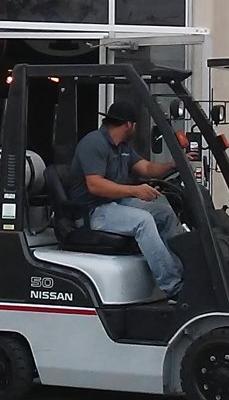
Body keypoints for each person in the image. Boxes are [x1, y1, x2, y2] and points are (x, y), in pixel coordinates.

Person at [69, 100, 185, 297]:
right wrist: (134, 190)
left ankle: (185, 271)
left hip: (113, 204)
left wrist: (175, 164)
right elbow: (95, 185)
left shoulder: (123, 147)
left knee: (164, 213)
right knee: (143, 221)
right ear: (129, 124)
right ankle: (173, 286)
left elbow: (147, 168)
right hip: (92, 211)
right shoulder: (94, 143)